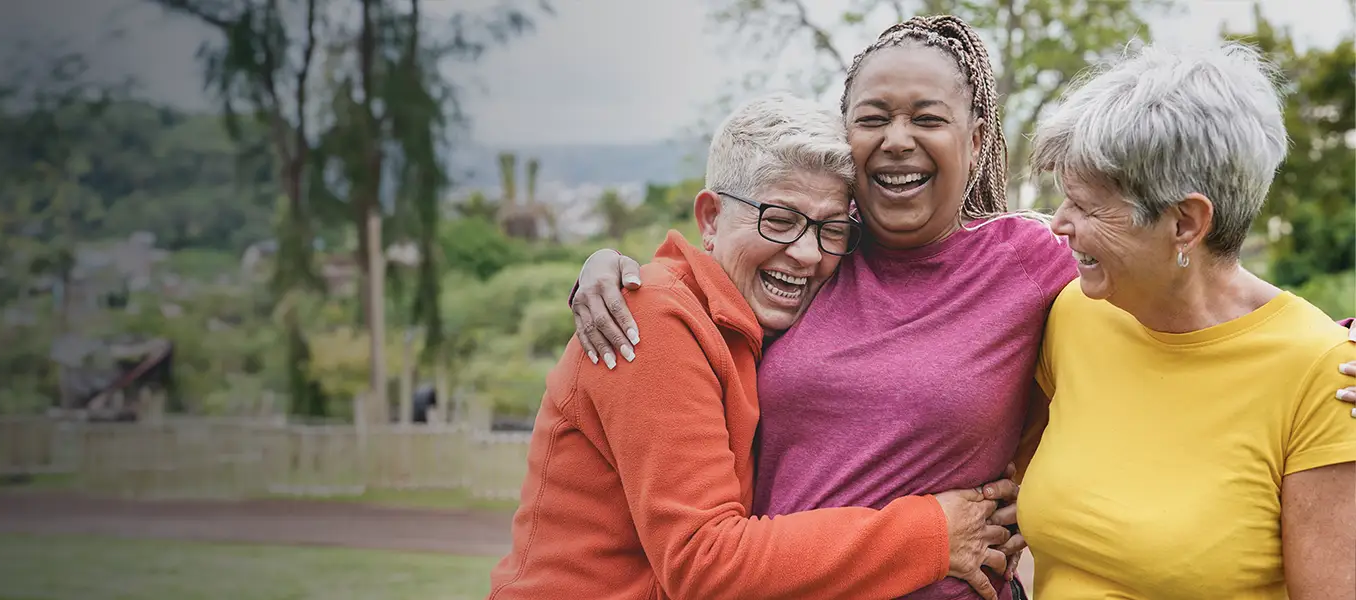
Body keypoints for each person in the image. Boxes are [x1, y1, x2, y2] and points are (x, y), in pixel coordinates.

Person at [563, 15, 1356, 599]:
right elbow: (706, 280)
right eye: (872, 118)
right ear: (848, 138)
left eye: (928, 119)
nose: (898, 138)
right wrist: (610, 269)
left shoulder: (1039, 264)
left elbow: (1193, 288)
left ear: (976, 143)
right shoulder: (812, 255)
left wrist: (1333, 346)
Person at [488, 92, 1021, 600]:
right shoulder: (651, 319)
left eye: (830, 230)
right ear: (710, 218)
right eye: (780, 220)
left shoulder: (760, 322)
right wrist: (930, 535)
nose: (807, 253)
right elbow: (703, 561)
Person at [1015, 42, 1355, 599]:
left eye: (1087, 206)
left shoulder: (1326, 375)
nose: (1058, 223)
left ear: (1185, 223)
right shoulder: (1075, 313)